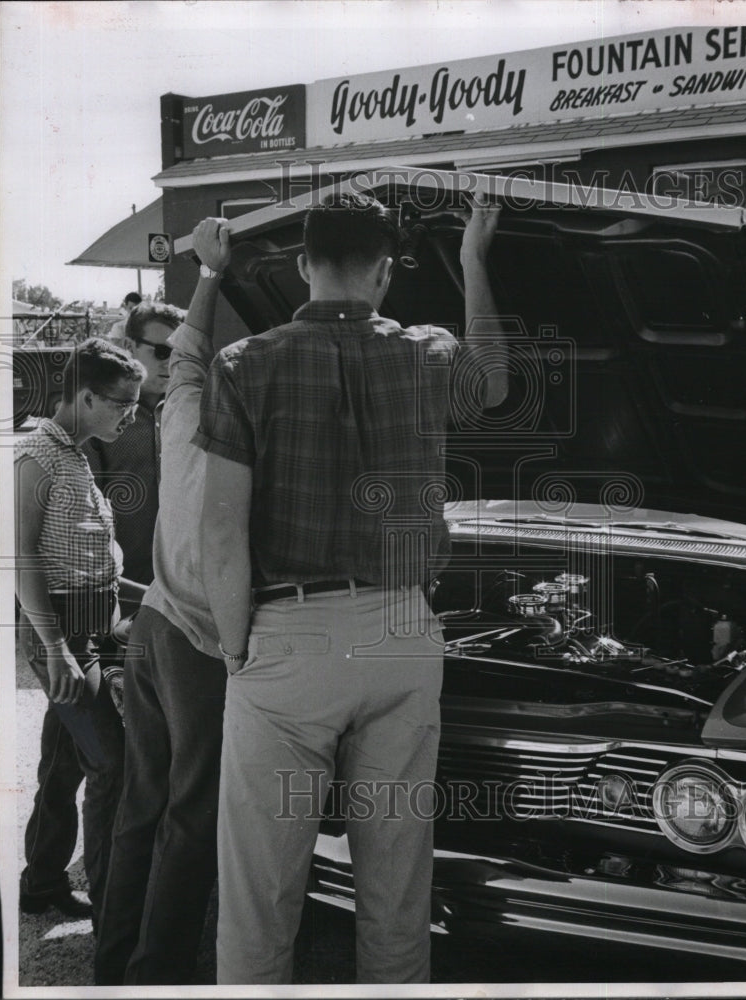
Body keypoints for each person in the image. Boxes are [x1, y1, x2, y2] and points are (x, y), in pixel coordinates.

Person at [195, 191, 506, 984]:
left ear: (304, 264)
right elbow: (495, 384)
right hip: (403, 630)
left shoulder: (244, 364)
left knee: (262, 894)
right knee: (397, 890)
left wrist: (236, 651)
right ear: (385, 273)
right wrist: (473, 259)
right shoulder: (427, 351)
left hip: (290, 639)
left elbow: (221, 532)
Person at [94, 221, 230, 985]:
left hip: (150, 619)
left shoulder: (174, 415)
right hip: (180, 633)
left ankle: (115, 963)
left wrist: (210, 275)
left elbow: (190, 358)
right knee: (188, 809)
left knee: (141, 804)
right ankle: (157, 976)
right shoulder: (204, 425)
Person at [15, 339, 145, 925]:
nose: (131, 416)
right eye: (122, 404)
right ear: (86, 396)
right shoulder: (37, 456)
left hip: (94, 625)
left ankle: (41, 882)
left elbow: (93, 560)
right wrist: (56, 649)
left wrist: (152, 595)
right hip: (65, 633)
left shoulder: (76, 452)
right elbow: (19, 558)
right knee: (111, 763)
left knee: (64, 763)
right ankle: (112, 905)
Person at [85, 304, 182, 585]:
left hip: (182, 581)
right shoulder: (101, 415)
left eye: (178, 353)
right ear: (129, 347)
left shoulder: (189, 410)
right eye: (161, 351)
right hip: (121, 582)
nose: (170, 362)